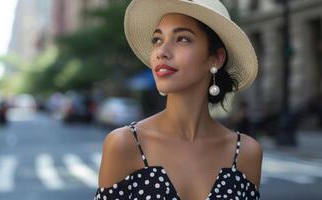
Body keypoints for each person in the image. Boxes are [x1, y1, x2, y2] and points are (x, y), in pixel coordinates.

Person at [94, 0, 263, 199]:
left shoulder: (246, 153)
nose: (161, 52)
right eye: (157, 39)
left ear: (216, 58)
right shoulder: (124, 144)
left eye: (182, 39)